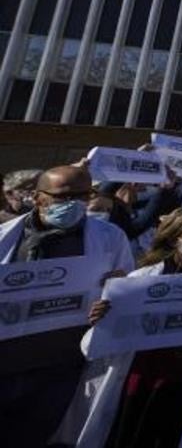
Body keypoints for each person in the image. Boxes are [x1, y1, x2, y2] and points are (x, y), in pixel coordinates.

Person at [70, 207, 182, 448]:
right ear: (175, 237)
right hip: (146, 376)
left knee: (178, 434)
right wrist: (102, 319)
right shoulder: (140, 279)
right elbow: (94, 347)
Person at [0, 165, 134, 447]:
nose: (74, 204)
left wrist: (111, 302)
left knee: (33, 436)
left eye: (83, 196)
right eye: (63, 197)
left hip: (60, 367)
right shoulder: (6, 237)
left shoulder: (110, 239)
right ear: (38, 197)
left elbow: (123, 296)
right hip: (6, 363)